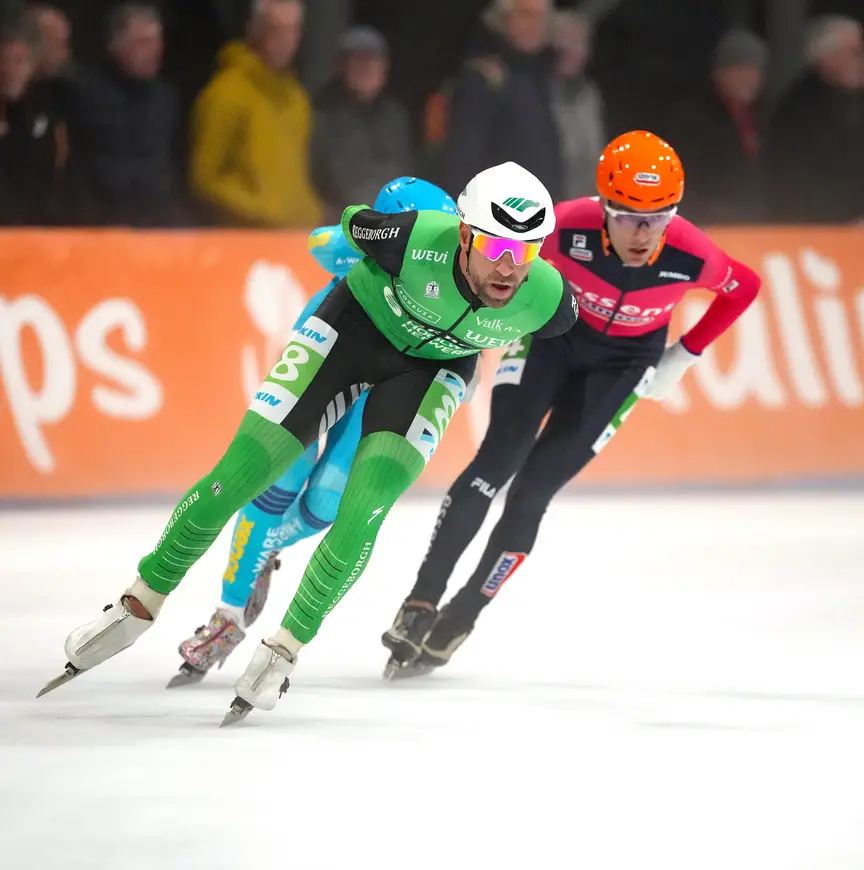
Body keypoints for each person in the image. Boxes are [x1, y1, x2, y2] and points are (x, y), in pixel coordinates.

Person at [38, 160, 579, 726]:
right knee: (243, 472)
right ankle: (138, 603)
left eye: (528, 252)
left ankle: (283, 649)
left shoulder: (547, 300)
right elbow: (349, 224)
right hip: (355, 332)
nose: (510, 269)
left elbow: (565, 343)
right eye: (497, 249)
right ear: (464, 233)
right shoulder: (412, 237)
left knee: (360, 509)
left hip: (430, 373)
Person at [380, 130, 762, 679]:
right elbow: (493, 257)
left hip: (622, 368)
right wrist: (470, 328)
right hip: (550, 343)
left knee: (533, 492)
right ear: (604, 206)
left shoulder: (691, 252)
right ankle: (421, 600)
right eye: (627, 215)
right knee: (497, 462)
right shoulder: (565, 224)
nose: (642, 233)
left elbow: (743, 287)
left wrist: (686, 353)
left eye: (657, 218)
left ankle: (464, 612)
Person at [166, 176, 458, 688]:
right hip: (325, 368)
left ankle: (265, 549)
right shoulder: (355, 247)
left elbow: (319, 241)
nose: (435, 255)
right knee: (272, 484)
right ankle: (228, 617)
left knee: (326, 504)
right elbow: (322, 241)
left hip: (380, 390)